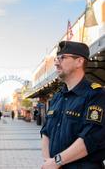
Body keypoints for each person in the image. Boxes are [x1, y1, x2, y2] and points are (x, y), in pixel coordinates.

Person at [40, 41, 105, 169]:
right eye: (56, 58)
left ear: (79, 61)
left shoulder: (96, 95)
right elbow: (46, 132)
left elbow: (90, 139)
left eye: (62, 58)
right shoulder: (58, 97)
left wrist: (55, 162)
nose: (56, 63)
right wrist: (48, 161)